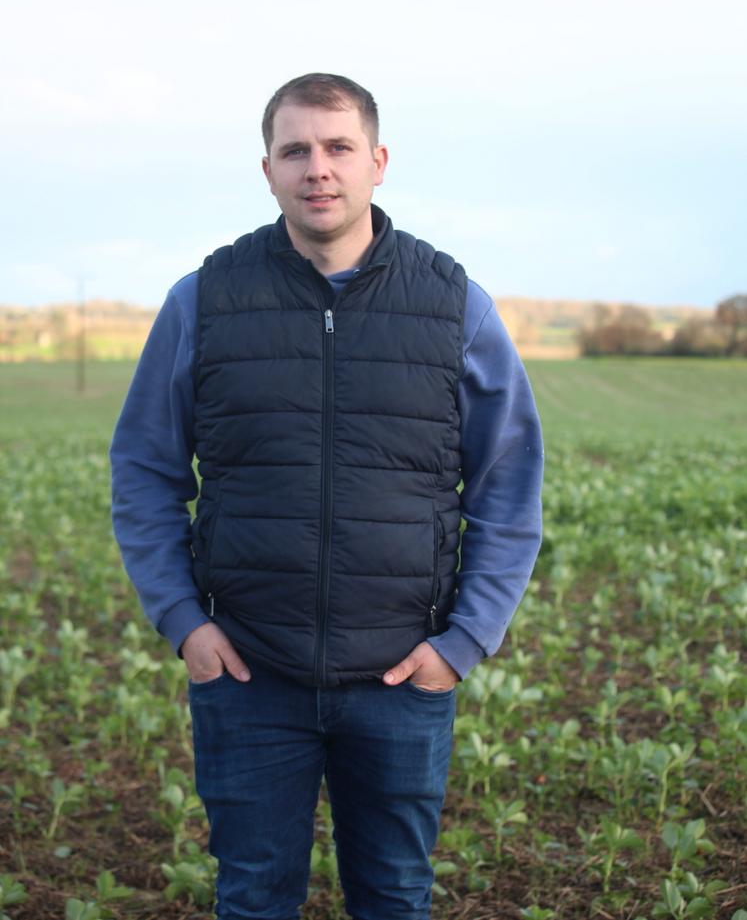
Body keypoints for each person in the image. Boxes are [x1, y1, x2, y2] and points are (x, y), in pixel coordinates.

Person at [110, 72, 543, 920]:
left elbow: (508, 484)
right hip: (245, 673)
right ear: (266, 169)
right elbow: (145, 470)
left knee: (392, 898)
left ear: (377, 162)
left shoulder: (455, 305)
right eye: (295, 149)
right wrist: (183, 622)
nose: (318, 168)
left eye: (338, 147)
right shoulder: (205, 299)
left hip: (399, 677)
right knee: (252, 896)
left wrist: (461, 643)